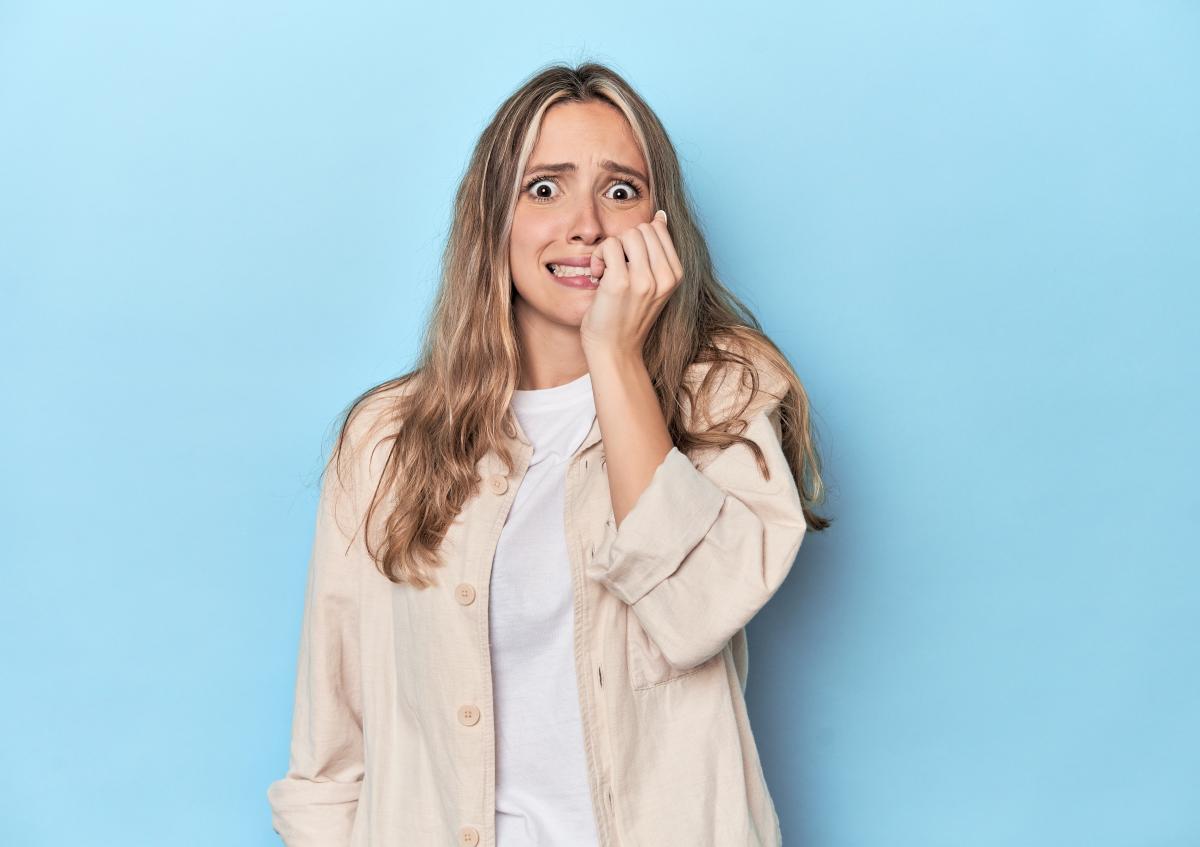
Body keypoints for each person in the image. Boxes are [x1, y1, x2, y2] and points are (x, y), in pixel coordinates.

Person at [266, 61, 831, 847]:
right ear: (492, 218)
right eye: (545, 188)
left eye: (621, 190)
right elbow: (329, 760)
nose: (586, 224)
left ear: (660, 226)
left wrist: (616, 357)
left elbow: (694, 609)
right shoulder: (387, 441)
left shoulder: (723, 399)